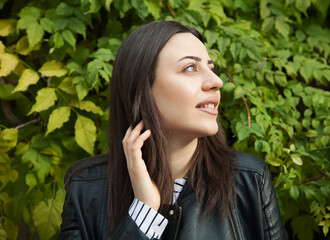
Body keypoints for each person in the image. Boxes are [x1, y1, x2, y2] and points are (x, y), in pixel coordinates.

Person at [58, 21, 288, 239]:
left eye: (211, 68)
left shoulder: (249, 180)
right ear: (142, 89)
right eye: (190, 68)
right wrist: (144, 211)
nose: (216, 81)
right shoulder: (86, 188)